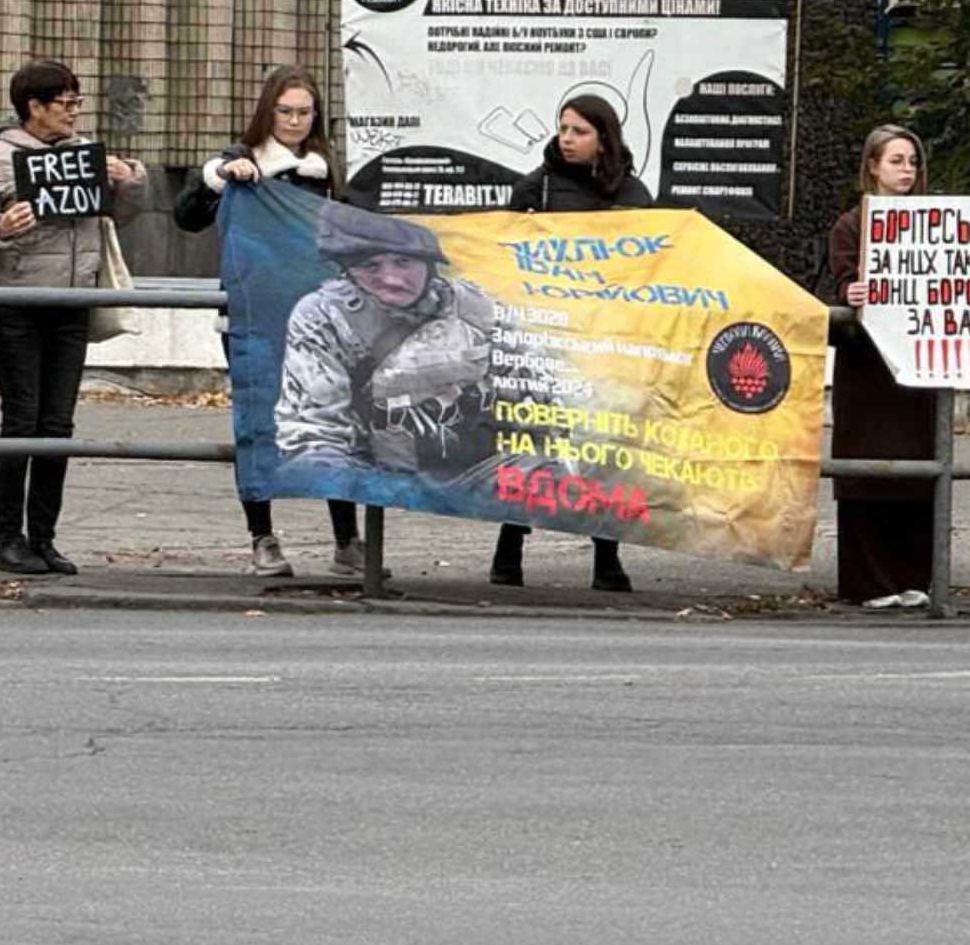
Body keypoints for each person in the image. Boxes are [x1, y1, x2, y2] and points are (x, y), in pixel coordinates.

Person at [0, 60, 146, 574]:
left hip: (72, 304)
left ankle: (44, 536)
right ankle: (7, 538)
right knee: (22, 419)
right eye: (65, 104)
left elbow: (120, 216)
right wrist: (0, 226)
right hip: (16, 304)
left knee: (59, 423)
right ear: (33, 108)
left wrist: (128, 181)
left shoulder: (85, 156)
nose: (74, 114)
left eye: (77, 103)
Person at [176, 65, 367, 578]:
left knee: (332, 420)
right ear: (268, 111)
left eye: (305, 112)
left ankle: (346, 540)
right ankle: (262, 536)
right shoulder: (243, 160)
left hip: (320, 316)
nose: (295, 121)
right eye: (285, 111)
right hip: (256, 315)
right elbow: (187, 216)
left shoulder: (325, 168)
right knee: (260, 419)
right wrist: (218, 178)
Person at [489, 94, 649, 592]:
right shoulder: (535, 188)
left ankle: (606, 556)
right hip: (545, 344)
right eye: (563, 128)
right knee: (533, 443)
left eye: (579, 130)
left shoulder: (634, 194)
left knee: (604, 451)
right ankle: (509, 548)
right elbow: (502, 254)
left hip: (607, 346)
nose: (567, 138)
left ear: (604, 136)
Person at [276, 201, 496, 476]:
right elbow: (314, 430)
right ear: (348, 271)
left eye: (404, 262)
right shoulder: (326, 316)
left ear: (429, 266)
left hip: (473, 469)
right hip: (370, 468)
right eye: (370, 266)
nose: (391, 279)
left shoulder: (475, 308)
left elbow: (535, 402)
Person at [828, 124, 943, 611]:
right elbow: (835, 282)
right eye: (896, 161)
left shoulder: (936, 222)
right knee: (867, 469)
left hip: (917, 366)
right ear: (872, 166)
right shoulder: (851, 225)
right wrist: (846, 293)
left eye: (912, 162)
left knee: (918, 468)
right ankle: (868, 581)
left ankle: (914, 574)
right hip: (869, 370)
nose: (907, 171)